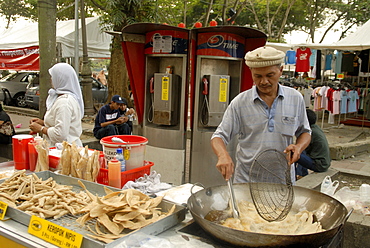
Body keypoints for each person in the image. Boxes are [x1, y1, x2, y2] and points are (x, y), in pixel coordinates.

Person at [211, 46, 312, 183]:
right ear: (251, 72)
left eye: (270, 75)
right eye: (258, 76)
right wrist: (223, 155)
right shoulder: (240, 102)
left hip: (283, 182)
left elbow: (305, 132)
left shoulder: (295, 98)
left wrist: (298, 147)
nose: (263, 82)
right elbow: (218, 136)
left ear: (280, 71)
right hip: (247, 182)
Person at [29, 63, 84, 147]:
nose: (51, 79)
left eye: (53, 76)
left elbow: (60, 134)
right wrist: (43, 123)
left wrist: (40, 129)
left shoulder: (64, 103)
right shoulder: (62, 98)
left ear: (60, 79)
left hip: (64, 151)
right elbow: (63, 123)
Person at [295, 109, 331, 178]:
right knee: (301, 151)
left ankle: (299, 175)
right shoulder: (316, 128)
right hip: (324, 163)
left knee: (295, 153)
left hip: (319, 164)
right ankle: (302, 174)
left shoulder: (310, 133)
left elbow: (301, 148)